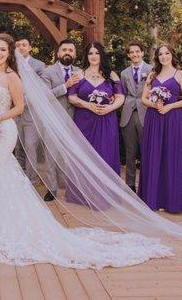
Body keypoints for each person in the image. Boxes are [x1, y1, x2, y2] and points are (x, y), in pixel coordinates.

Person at [0, 33, 172, 269]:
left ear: (10, 51)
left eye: (3, 49)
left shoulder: (13, 76)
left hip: (3, 129)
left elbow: (20, 105)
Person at [139, 44, 182, 213]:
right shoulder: (152, 75)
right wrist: (155, 104)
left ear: (172, 55)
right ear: (157, 57)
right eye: (160, 54)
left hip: (172, 118)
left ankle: (171, 201)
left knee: (171, 155)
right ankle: (153, 198)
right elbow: (143, 99)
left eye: (167, 53)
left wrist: (169, 107)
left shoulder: (180, 74)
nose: (164, 56)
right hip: (154, 118)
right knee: (154, 155)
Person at [68, 42, 125, 178]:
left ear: (102, 55)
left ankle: (107, 191)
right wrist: (88, 105)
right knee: (84, 153)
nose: (93, 56)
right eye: (90, 53)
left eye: (97, 53)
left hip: (106, 119)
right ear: (86, 56)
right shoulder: (79, 74)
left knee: (106, 152)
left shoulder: (111, 75)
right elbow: (71, 97)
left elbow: (120, 97)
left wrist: (110, 107)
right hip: (84, 120)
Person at [40, 39, 81, 201]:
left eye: (71, 50)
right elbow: (43, 95)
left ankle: (71, 187)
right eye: (64, 50)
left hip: (75, 119)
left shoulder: (80, 71)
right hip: (53, 119)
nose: (67, 53)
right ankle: (51, 188)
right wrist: (66, 85)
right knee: (51, 154)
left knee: (72, 154)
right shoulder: (48, 72)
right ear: (58, 53)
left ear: (75, 54)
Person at [119, 41, 152, 193]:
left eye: (137, 51)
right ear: (128, 55)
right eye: (131, 52)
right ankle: (130, 185)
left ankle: (146, 184)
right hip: (128, 115)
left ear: (142, 52)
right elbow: (123, 93)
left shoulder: (152, 70)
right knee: (130, 152)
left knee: (147, 151)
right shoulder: (124, 73)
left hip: (146, 113)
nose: (134, 54)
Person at [14, 36, 45, 184]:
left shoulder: (39, 65)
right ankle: (19, 177)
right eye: (18, 45)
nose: (20, 47)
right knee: (17, 146)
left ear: (30, 47)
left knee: (30, 146)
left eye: (24, 45)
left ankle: (31, 180)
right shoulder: (10, 64)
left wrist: (20, 102)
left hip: (31, 113)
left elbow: (39, 90)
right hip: (13, 113)